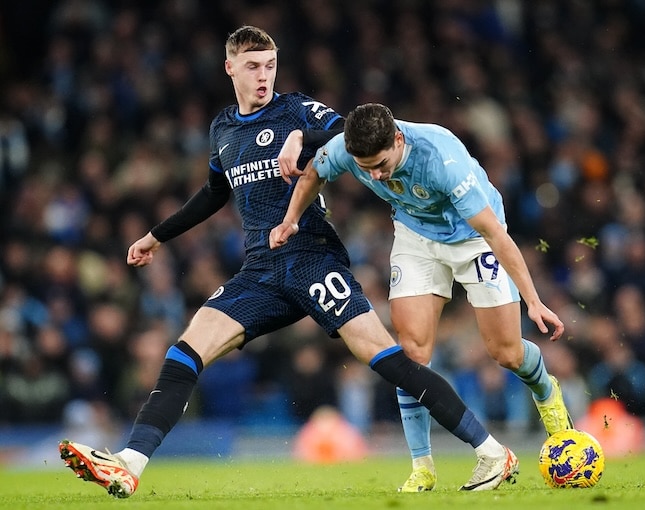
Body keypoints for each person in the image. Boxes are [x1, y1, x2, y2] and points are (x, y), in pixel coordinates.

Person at [58, 27, 518, 498]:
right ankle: (129, 465)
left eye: (270, 65)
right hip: (260, 271)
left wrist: (305, 136)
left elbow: (353, 130)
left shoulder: (296, 109)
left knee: (390, 361)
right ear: (230, 67)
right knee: (183, 353)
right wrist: (157, 236)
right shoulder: (223, 129)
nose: (263, 76)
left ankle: (491, 451)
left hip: (313, 257)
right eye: (253, 66)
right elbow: (214, 194)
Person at [270, 102, 573, 492]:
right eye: (365, 168)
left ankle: (548, 393)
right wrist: (291, 218)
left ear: (398, 139)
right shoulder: (350, 148)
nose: (375, 175)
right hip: (416, 239)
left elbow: (497, 236)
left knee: (507, 353)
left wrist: (533, 300)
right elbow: (313, 172)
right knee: (410, 354)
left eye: (380, 164)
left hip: (472, 239)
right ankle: (422, 467)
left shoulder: (442, 159)